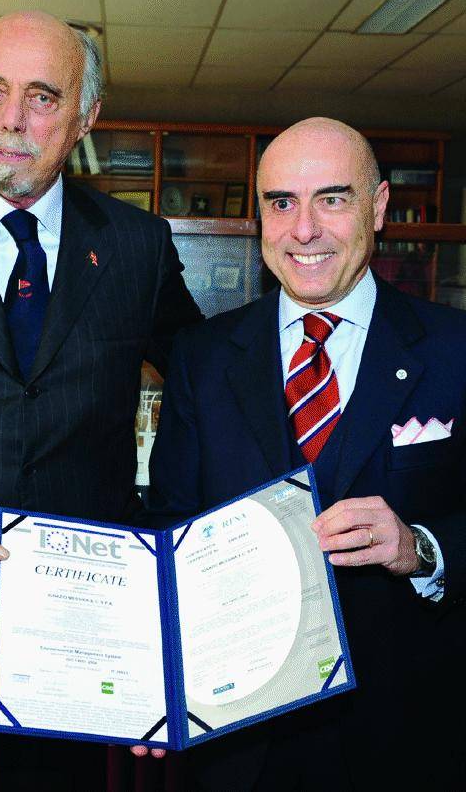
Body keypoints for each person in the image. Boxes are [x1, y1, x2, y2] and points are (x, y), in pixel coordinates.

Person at [0, 11, 201, 792]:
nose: (12, 120)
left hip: (75, 641)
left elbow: (210, 379)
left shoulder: (135, 246)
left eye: (42, 97)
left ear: (86, 118)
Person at [147, 117, 466, 791]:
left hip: (408, 732)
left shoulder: (454, 349)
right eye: (281, 202)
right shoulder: (203, 358)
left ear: (377, 207)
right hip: (239, 739)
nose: (303, 230)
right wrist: (154, 672)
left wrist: (421, 548)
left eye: (332, 199)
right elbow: (169, 525)